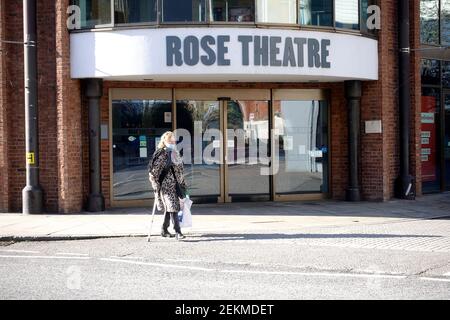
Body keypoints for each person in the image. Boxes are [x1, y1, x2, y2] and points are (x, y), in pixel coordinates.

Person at [148, 131, 187, 240]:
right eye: (169, 140)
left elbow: (180, 170)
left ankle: (164, 229)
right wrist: (156, 186)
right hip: (165, 186)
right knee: (173, 206)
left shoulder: (176, 152)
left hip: (176, 185)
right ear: (164, 141)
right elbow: (153, 172)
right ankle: (178, 231)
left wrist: (183, 184)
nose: (172, 142)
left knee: (170, 207)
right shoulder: (161, 154)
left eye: (173, 140)